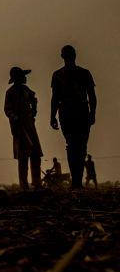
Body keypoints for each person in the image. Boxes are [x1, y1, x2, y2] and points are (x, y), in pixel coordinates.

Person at [50, 45, 97, 189]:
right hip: (76, 112)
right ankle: (76, 181)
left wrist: (52, 116)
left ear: (62, 56)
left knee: (74, 146)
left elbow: (55, 99)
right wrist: (92, 113)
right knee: (79, 147)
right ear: (74, 55)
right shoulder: (83, 73)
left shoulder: (59, 74)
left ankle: (76, 181)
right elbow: (92, 97)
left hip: (70, 113)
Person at [4, 66, 42, 190]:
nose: (25, 78)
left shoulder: (26, 89)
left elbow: (34, 99)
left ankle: (37, 182)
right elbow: (7, 109)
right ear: (17, 78)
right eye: (22, 76)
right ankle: (24, 185)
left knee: (35, 154)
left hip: (30, 125)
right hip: (19, 128)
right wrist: (15, 117)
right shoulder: (10, 92)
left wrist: (34, 110)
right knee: (23, 157)